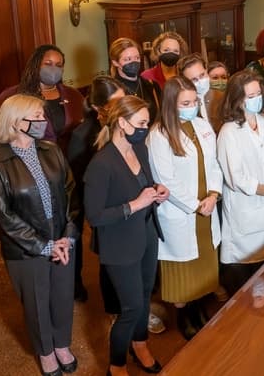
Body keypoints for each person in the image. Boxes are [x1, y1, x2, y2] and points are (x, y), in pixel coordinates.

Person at [0, 94, 79, 376]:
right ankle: (46, 351)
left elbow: (70, 192)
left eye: (42, 115)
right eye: (36, 117)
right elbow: (6, 217)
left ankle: (62, 344)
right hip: (26, 248)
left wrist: (68, 235)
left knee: (62, 296)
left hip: (62, 238)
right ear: (14, 122)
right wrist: (44, 246)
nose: (43, 121)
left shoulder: (52, 150)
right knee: (37, 303)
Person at [84, 95, 169, 375]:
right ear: (122, 123)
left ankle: (140, 344)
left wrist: (157, 191)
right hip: (120, 244)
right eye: (141, 123)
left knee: (144, 297)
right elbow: (95, 216)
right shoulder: (101, 164)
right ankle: (117, 363)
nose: (145, 128)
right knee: (131, 308)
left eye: (147, 122)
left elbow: (145, 184)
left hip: (146, 234)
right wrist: (136, 204)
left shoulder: (139, 149)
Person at [147, 77, 223, 340]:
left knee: (203, 263)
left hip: (207, 206)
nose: (192, 107)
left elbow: (214, 164)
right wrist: (195, 205)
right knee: (184, 269)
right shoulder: (159, 135)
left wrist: (213, 194)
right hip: (182, 211)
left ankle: (198, 308)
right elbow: (166, 179)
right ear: (171, 104)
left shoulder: (202, 125)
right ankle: (185, 316)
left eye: (194, 102)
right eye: (185, 103)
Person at [217, 70, 264, 295]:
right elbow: (236, 177)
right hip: (245, 207)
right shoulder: (229, 132)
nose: (256, 99)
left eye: (258, 94)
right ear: (237, 99)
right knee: (247, 276)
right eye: (250, 96)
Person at [67, 76, 125, 305]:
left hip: (125, 202)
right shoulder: (82, 136)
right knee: (110, 262)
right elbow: (79, 182)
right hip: (104, 209)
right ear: (97, 107)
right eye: (115, 102)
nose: (122, 106)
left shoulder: (124, 124)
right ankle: (114, 309)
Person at [0, 44, 85, 158]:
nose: (54, 68)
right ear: (36, 65)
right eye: (48, 64)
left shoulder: (73, 95)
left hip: (69, 161)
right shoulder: (12, 95)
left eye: (58, 65)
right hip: (29, 162)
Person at [108, 37, 161, 120]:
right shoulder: (111, 90)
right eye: (128, 59)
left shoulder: (151, 85)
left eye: (137, 58)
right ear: (115, 62)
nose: (134, 62)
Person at [179, 53, 226, 132]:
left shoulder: (223, 98)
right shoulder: (183, 106)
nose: (200, 81)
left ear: (206, 71)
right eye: (194, 79)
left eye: (202, 75)